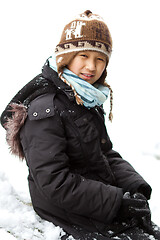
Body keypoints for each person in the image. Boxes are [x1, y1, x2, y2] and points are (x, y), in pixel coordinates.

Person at [1, 10, 153, 240]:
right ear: (65, 56)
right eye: (83, 55)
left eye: (100, 59)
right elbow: (53, 182)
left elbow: (103, 153)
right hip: (66, 208)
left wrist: (135, 186)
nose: (91, 67)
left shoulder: (84, 97)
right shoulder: (45, 109)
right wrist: (117, 203)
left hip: (94, 196)